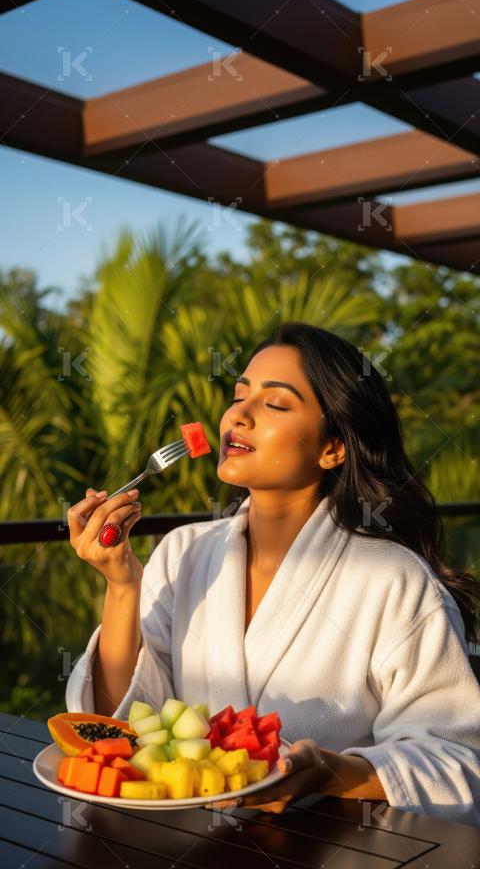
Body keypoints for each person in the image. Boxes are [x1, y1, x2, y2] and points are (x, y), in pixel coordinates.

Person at [66, 322, 480, 825]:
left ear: (333, 447)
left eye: (275, 404)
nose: (237, 414)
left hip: (332, 848)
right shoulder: (183, 553)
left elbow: (458, 765)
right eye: (239, 394)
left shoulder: (393, 580)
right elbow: (117, 725)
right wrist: (122, 585)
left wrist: (326, 772)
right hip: (188, 847)